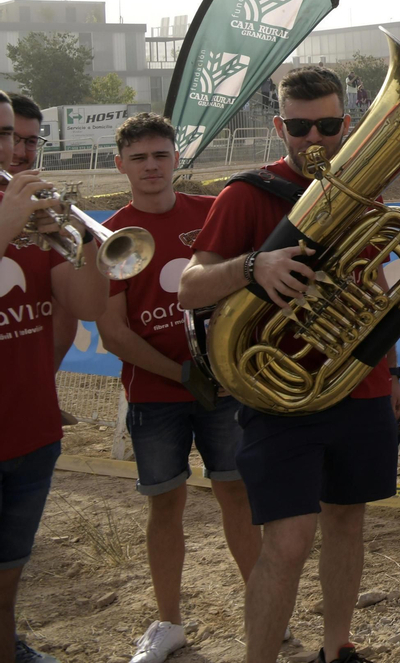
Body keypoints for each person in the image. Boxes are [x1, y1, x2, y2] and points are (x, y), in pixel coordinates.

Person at [179, 67, 400, 663]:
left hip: (356, 387)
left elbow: (376, 292)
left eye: (328, 125)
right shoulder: (247, 193)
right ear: (280, 125)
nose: (315, 139)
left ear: (347, 124)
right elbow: (189, 287)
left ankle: (338, 647)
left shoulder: (366, 191)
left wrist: (392, 374)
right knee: (287, 539)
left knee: (347, 522)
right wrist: (254, 266)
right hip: (279, 394)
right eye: (301, 126)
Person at [95, 114, 261, 663]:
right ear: (121, 166)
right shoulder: (110, 236)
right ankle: (169, 623)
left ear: (175, 159)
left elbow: (240, 287)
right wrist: (181, 375)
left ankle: (263, 608)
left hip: (224, 387)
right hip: (155, 396)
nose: (150, 167)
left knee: (237, 494)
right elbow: (114, 333)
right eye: (138, 158)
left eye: (160, 155)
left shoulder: (209, 213)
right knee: (165, 507)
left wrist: (220, 365)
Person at [1, 90, 109, 663]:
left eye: (20, 137)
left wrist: (91, 243)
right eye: (2, 136)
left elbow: (89, 306)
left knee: (7, 582)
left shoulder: (36, 223)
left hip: (32, 432)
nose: (15, 151)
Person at [0, 96, 76, 376]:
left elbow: (74, 309)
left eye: (30, 141)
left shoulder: (39, 207)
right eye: (11, 137)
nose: (18, 152)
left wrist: (42, 383)